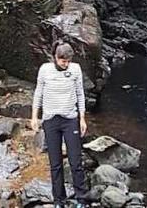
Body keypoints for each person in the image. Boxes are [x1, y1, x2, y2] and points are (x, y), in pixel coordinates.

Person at [30, 41, 89, 208]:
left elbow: (80, 94)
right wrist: (34, 117)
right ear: (55, 58)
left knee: (75, 161)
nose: (66, 64)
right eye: (63, 61)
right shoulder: (45, 70)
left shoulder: (75, 69)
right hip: (51, 120)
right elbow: (38, 93)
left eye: (69, 61)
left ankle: (81, 199)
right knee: (55, 163)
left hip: (70, 119)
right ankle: (59, 201)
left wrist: (82, 118)